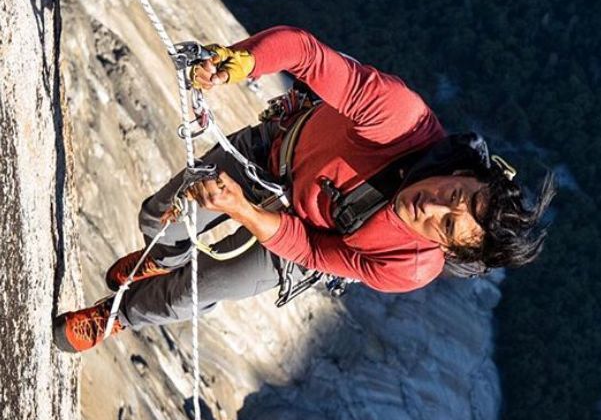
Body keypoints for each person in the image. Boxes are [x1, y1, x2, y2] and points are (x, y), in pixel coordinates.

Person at [54, 26, 555, 352]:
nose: (434, 203)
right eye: (456, 193)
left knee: (202, 289)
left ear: (447, 247)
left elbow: (312, 249)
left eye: (446, 223)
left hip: (302, 235)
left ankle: (118, 312)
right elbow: (305, 53)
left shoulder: (409, 266)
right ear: (463, 171)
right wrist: (242, 62)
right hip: (271, 151)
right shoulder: (401, 120)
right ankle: (160, 255)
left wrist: (245, 212)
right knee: (158, 220)